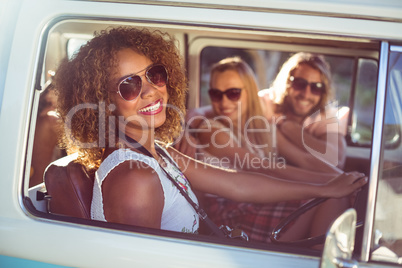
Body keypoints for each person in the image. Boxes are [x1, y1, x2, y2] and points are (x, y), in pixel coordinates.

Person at [53, 27, 366, 240]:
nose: (151, 91)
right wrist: (326, 185)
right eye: (130, 85)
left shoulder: (155, 151)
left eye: (154, 74)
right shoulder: (133, 177)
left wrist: (328, 188)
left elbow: (238, 184)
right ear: (102, 103)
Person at [178, 56, 353, 242]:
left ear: (250, 93)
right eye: (216, 94)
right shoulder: (212, 130)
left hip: (259, 200)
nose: (224, 102)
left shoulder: (263, 127)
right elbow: (262, 168)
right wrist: (332, 183)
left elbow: (305, 159)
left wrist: (344, 180)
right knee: (331, 198)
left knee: (335, 198)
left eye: (233, 93)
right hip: (232, 213)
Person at [259, 52, 349, 172]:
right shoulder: (265, 102)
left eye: (316, 87)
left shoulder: (326, 115)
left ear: (324, 91)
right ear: (286, 83)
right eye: (299, 84)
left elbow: (337, 161)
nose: (306, 94)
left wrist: (290, 128)